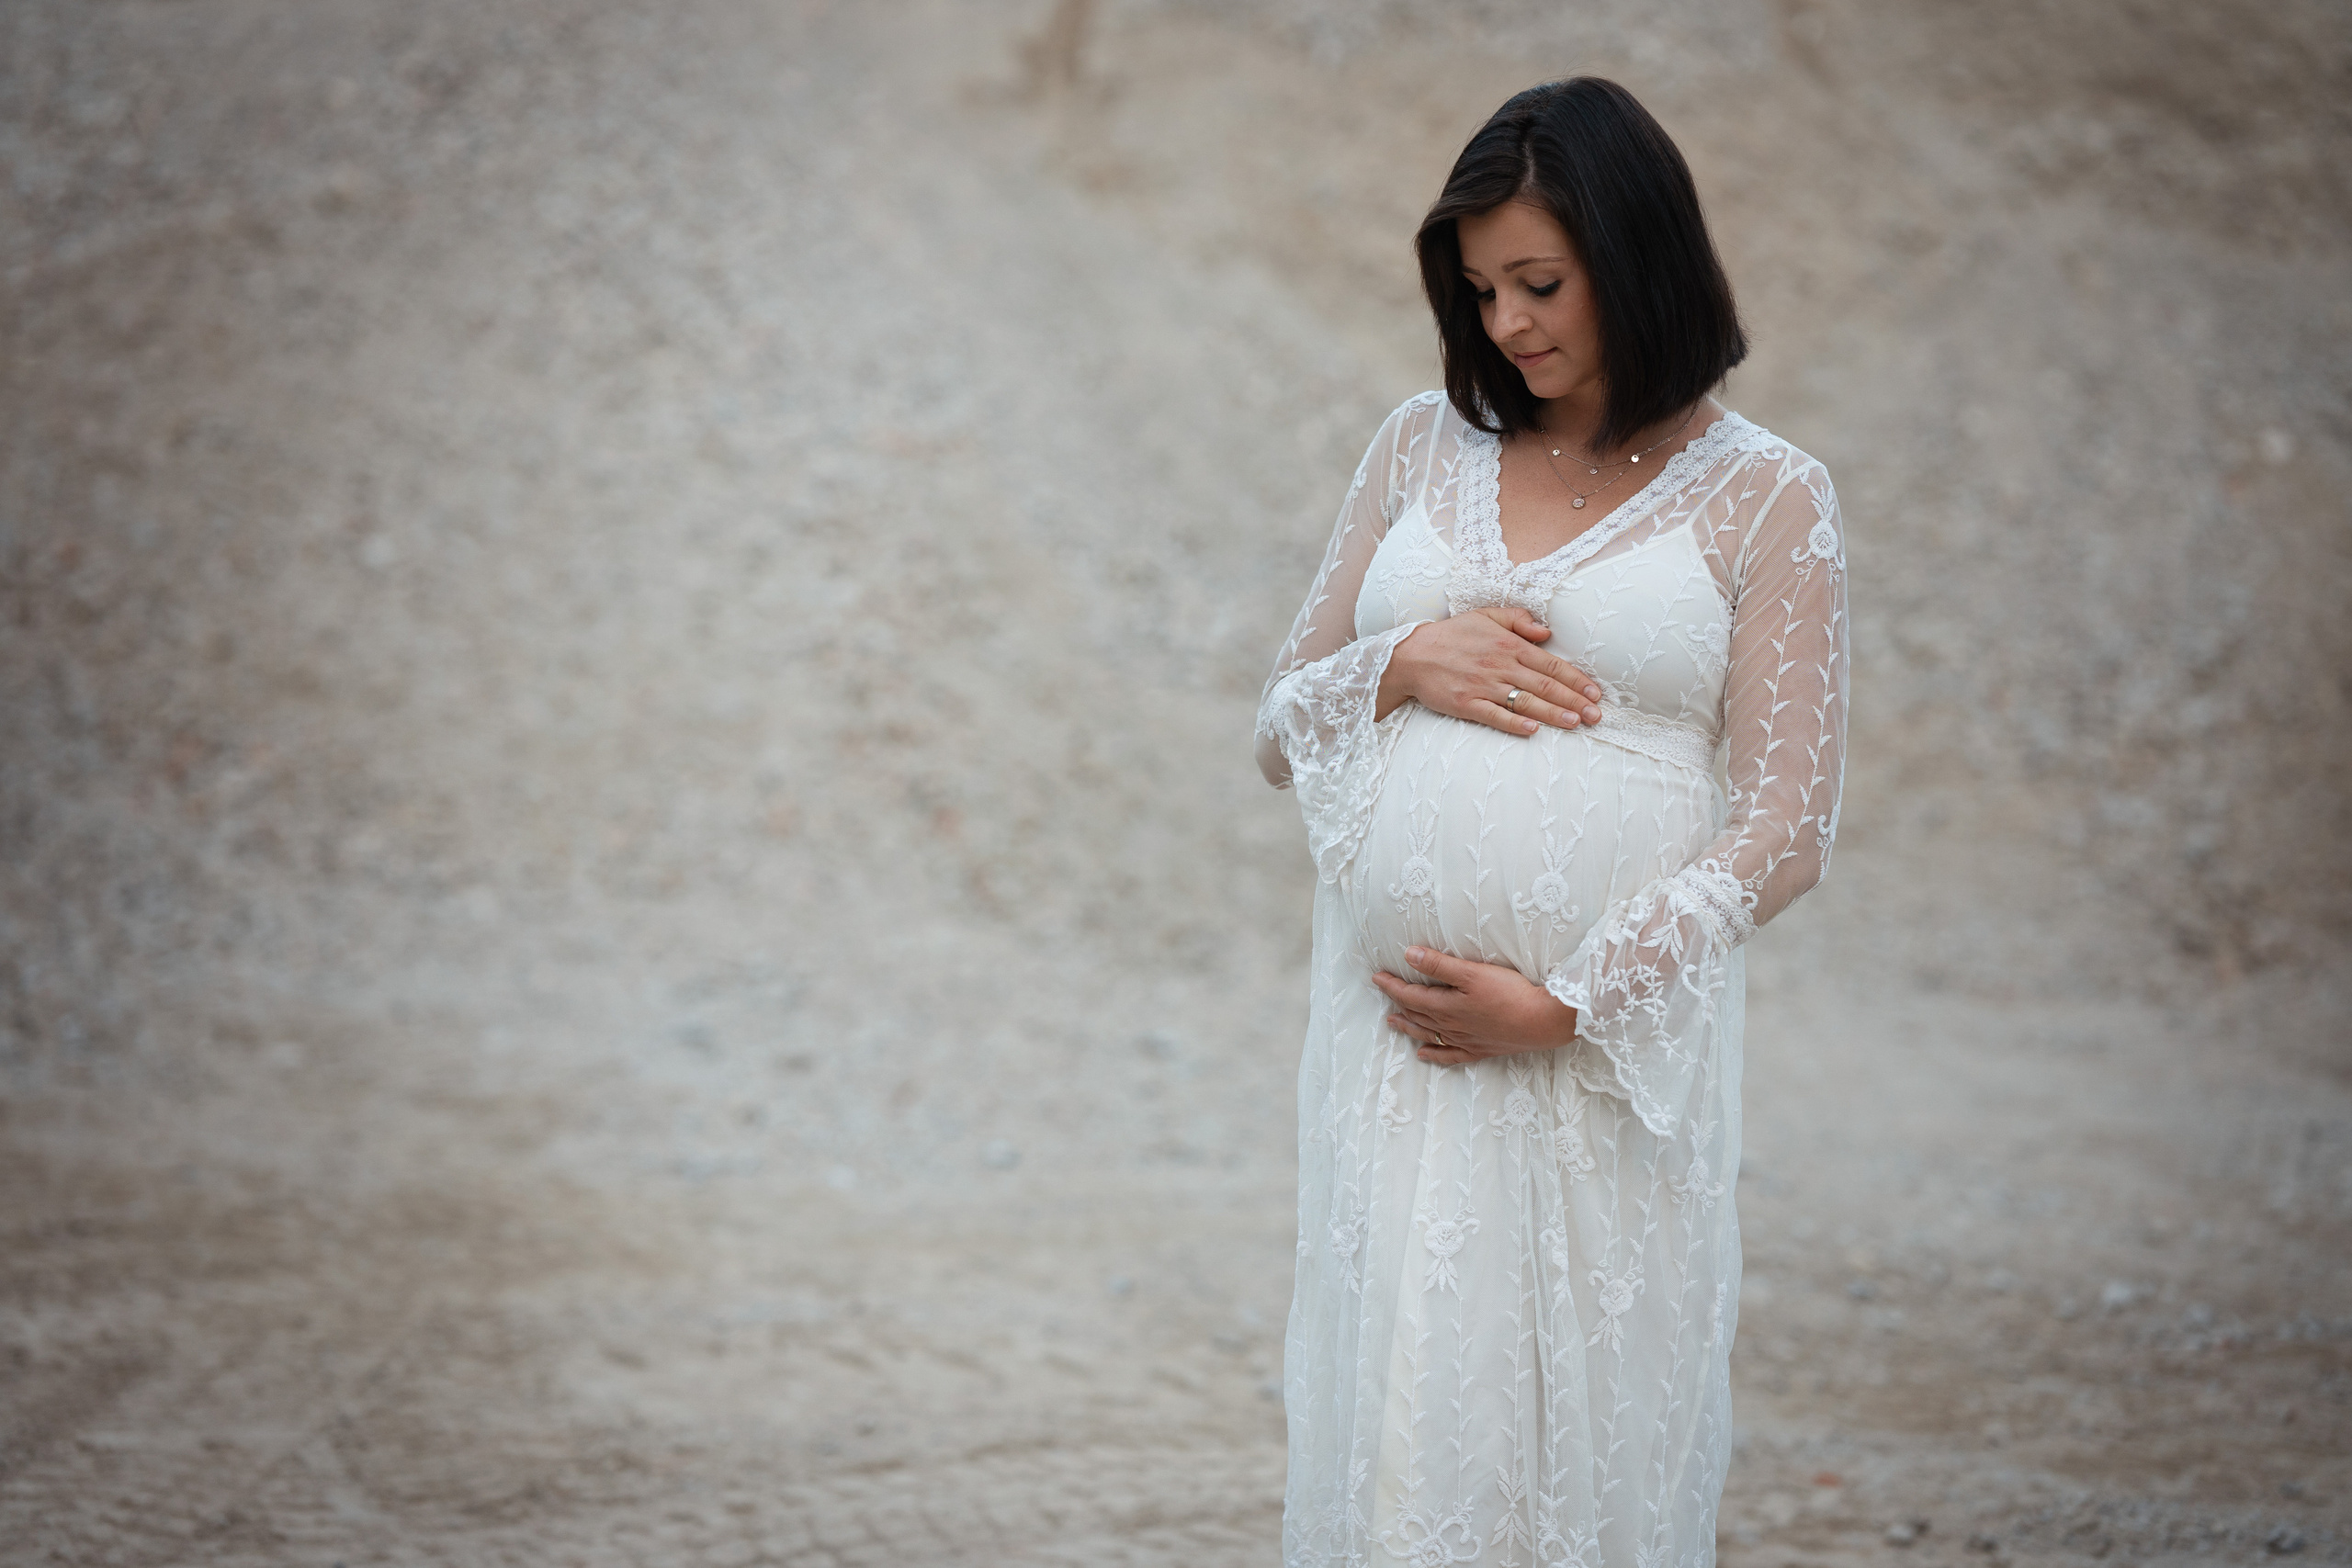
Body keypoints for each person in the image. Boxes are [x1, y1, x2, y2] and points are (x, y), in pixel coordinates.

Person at [1254, 78, 1849, 1567]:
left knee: (1577, 1442)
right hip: (1398, 1055)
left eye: (1540, 282)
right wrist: (1401, 661)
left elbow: (1786, 825)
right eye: (1480, 291)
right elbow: (1279, 721)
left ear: (1637, 256)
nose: (1508, 325)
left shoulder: (1769, 496)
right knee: (1400, 1428)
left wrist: (1575, 1002)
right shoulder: (1416, 449)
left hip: (1597, 1072)